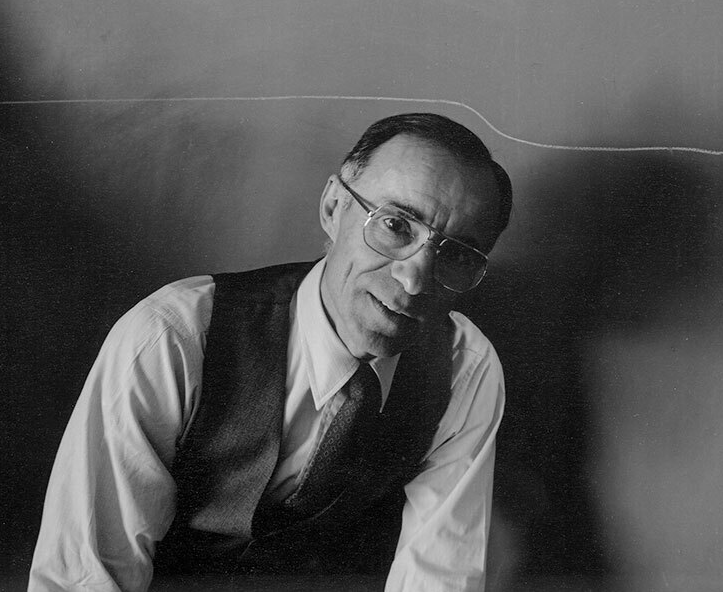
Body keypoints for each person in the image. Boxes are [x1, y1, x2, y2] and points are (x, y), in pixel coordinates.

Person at [28, 113, 513, 592]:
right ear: (332, 207)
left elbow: (439, 574)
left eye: (455, 255)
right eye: (395, 224)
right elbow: (85, 578)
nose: (413, 278)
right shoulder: (173, 335)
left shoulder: (464, 368)